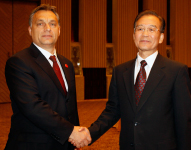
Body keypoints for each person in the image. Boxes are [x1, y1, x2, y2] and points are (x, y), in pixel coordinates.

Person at [75, 10, 191, 150]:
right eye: (140, 29)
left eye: (151, 29)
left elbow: (184, 121)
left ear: (161, 37)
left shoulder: (176, 71)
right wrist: (90, 134)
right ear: (134, 35)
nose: (145, 34)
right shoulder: (120, 71)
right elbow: (112, 111)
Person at [4, 4, 91, 150]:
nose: (47, 28)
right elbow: (33, 106)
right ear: (30, 30)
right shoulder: (19, 62)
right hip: (33, 145)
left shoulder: (66, 64)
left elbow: (70, 107)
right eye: (40, 24)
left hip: (64, 143)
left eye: (52, 24)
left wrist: (74, 138)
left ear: (59, 30)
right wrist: (71, 132)